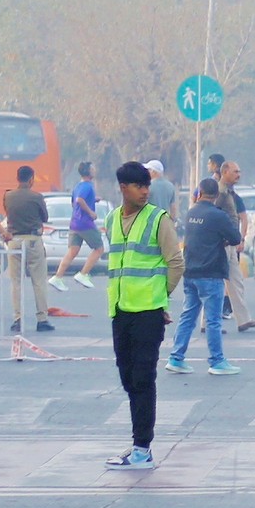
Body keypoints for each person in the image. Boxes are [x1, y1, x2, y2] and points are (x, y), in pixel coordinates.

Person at [101, 161, 186, 469]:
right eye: (139, 186)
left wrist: (161, 298)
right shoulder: (112, 219)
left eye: (147, 185)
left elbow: (175, 262)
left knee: (143, 378)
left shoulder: (158, 219)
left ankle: (142, 448)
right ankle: (138, 443)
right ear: (124, 188)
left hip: (149, 312)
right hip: (120, 310)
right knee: (127, 377)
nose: (145, 191)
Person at [169, 175, 244, 376]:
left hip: (190, 271)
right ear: (216, 195)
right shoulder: (218, 216)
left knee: (188, 316)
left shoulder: (191, 213)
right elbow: (235, 237)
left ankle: (176, 357)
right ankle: (217, 361)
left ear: (199, 193)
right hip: (211, 273)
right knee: (213, 320)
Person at [1, 163, 53, 334]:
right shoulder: (36, 197)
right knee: (39, 282)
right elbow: (44, 217)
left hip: (14, 241)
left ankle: (17, 319)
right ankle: (42, 319)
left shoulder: (8, 196)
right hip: (33, 241)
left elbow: (8, 213)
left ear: (17, 178)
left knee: (16, 282)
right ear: (31, 179)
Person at [214, 155, 255, 333]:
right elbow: (213, 215)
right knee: (216, 283)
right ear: (224, 172)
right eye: (235, 172)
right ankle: (208, 323)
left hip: (231, 244)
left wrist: (239, 238)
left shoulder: (230, 193)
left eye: (239, 172)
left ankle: (243, 319)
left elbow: (240, 217)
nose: (238, 175)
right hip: (221, 243)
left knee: (236, 281)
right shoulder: (220, 192)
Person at [50, 159, 102, 293]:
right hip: (85, 223)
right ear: (88, 171)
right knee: (99, 249)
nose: (95, 170)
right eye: (93, 168)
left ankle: (57, 277)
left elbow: (74, 203)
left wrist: (93, 200)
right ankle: (83, 274)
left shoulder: (78, 186)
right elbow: (79, 200)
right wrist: (91, 212)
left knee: (72, 251)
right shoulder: (88, 186)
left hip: (74, 223)